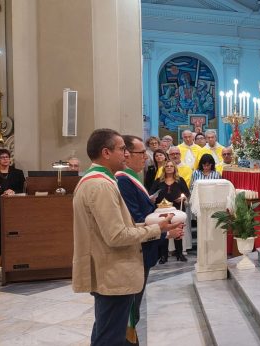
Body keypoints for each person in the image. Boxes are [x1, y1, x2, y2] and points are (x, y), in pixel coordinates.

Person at [72, 128, 183, 345]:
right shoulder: (100, 185)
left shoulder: (98, 180)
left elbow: (120, 226)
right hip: (113, 270)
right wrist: (157, 229)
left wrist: (157, 225)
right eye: (122, 149)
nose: (125, 154)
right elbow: (117, 235)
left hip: (110, 270)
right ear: (106, 152)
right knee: (111, 337)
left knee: (108, 330)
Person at [115, 135, 164, 345]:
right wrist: (164, 227)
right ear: (126, 154)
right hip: (136, 251)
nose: (146, 157)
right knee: (128, 311)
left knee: (134, 307)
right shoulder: (123, 179)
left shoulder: (131, 177)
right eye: (141, 153)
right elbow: (135, 218)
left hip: (143, 247)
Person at [149, 160, 190, 263]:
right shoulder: (158, 181)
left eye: (171, 166)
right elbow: (151, 194)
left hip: (176, 209)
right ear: (164, 168)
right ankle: (164, 256)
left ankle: (179, 254)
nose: (169, 168)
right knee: (165, 231)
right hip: (162, 211)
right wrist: (154, 198)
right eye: (167, 166)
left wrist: (182, 199)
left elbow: (187, 194)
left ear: (174, 168)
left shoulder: (180, 180)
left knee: (178, 231)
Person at [0, 148, 24, 257]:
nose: (5, 159)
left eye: (7, 157)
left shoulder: (18, 173)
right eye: (2, 157)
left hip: (14, 207)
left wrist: (12, 191)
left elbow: (23, 189)